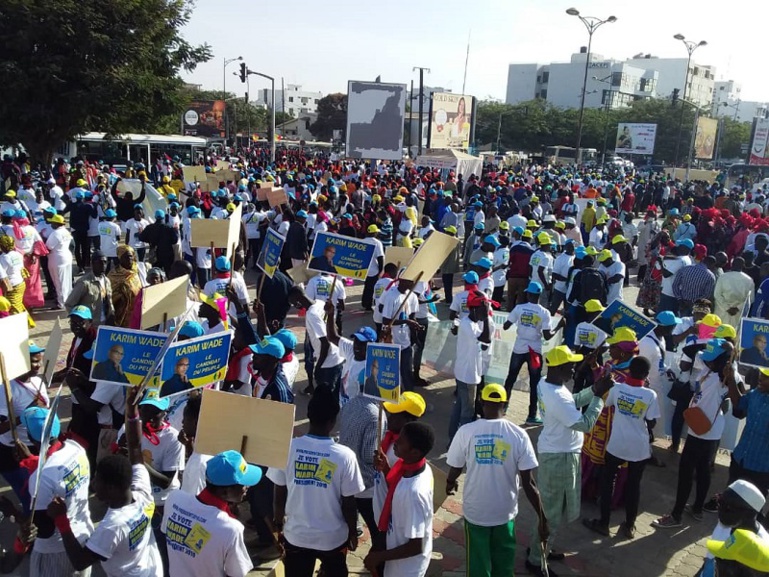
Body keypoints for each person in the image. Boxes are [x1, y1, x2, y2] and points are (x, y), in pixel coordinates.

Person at [45, 386, 162, 576]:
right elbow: (135, 449)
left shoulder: (112, 527)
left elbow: (80, 561)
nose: (92, 486)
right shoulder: (142, 491)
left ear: (112, 488)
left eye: (97, 481)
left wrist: (61, 519)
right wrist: (131, 411)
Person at [446, 384, 549, 577]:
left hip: (476, 512)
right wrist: (542, 518)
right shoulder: (519, 435)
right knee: (504, 565)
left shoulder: (466, 432)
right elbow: (529, 483)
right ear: (506, 403)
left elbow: (455, 467)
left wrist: (450, 482)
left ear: (481, 403)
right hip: (505, 513)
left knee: (478, 565)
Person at [527, 345, 608, 573]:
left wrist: (593, 388)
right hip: (559, 458)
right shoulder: (556, 396)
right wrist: (599, 397)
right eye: (571, 366)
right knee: (551, 513)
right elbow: (584, 424)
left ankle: (541, 546)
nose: (575, 370)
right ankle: (536, 559)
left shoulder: (548, 382)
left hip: (555, 452)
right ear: (559, 367)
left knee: (550, 508)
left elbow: (571, 400)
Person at [268, 387, 365, 577]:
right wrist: (353, 532)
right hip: (332, 539)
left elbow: (279, 494)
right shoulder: (345, 456)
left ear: (309, 415)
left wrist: (278, 525)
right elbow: (349, 503)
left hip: (296, 537)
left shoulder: (288, 448)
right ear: (332, 421)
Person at [653, 338, 734, 528]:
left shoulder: (725, 376)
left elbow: (735, 391)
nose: (707, 361)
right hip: (698, 427)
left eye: (712, 359)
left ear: (723, 362)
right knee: (702, 469)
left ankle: (676, 516)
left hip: (705, 432)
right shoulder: (709, 370)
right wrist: (713, 346)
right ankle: (697, 509)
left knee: (687, 471)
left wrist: (728, 361)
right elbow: (691, 350)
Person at [583, 356, 659, 539]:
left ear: (629, 371)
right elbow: (652, 422)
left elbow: (607, 405)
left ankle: (603, 523)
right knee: (634, 486)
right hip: (638, 448)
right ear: (646, 375)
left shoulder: (616, 389)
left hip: (616, 444)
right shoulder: (650, 395)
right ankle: (629, 526)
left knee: (608, 483)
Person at [162, 449, 262, 577]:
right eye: (243, 483)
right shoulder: (230, 529)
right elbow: (237, 574)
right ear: (225, 492)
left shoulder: (174, 500)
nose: (247, 486)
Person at [25, 406, 94, 577]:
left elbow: (44, 530)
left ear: (29, 437)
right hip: (83, 537)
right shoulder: (75, 447)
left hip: (55, 553)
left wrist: (13, 514)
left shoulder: (41, 478)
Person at [364, 421, 435, 577]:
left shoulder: (414, 494)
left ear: (415, 452)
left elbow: (417, 545)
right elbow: (397, 489)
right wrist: (386, 469)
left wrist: (379, 556)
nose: (395, 442)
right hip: (396, 560)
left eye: (401, 441)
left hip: (406, 570)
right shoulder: (412, 467)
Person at [503, 281, 564, 424]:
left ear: (528, 294)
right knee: (534, 384)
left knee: (510, 379)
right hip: (534, 352)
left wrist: (518, 322)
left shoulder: (519, 308)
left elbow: (506, 326)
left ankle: (503, 407)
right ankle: (531, 415)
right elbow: (547, 336)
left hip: (519, 348)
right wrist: (559, 326)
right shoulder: (544, 312)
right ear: (539, 295)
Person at [0, 342, 48, 515]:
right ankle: (31, 533)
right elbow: (1, 428)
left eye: (40, 361)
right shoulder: (6, 390)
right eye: (34, 362)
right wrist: (28, 412)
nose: (39, 365)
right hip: (13, 453)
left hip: (35, 448)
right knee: (29, 499)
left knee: (40, 495)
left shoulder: (38, 382)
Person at [450, 290, 492, 442]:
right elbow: (486, 338)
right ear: (474, 309)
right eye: (483, 310)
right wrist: (486, 316)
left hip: (464, 373)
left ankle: (452, 439)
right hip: (468, 376)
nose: (485, 312)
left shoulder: (470, 323)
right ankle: (463, 443)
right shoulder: (468, 325)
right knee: (467, 411)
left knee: (459, 406)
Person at [381, 277, 420, 394]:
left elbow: (412, 316)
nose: (413, 283)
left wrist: (415, 333)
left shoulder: (412, 296)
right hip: (392, 342)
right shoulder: (391, 296)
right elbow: (385, 320)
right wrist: (406, 322)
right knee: (393, 373)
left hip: (406, 342)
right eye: (410, 280)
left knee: (407, 372)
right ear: (403, 281)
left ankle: (409, 398)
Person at [65, 250, 115, 326]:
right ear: (92, 264)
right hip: (91, 326)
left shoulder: (107, 281)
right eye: (99, 263)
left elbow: (109, 301)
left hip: (105, 324)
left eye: (105, 262)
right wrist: (79, 321)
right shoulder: (84, 283)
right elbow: (69, 304)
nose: (103, 266)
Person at [714, 256, 754, 329]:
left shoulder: (723, 276)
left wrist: (727, 308)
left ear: (732, 264)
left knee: (718, 335)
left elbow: (717, 295)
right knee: (734, 336)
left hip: (722, 312)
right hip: (738, 313)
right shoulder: (749, 280)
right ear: (743, 266)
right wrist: (737, 308)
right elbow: (751, 299)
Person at [109, 245, 142, 328]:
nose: (129, 259)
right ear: (120, 258)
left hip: (138, 311)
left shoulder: (138, 271)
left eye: (131, 256)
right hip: (122, 315)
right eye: (126, 257)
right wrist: (122, 293)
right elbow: (110, 296)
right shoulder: (114, 275)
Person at [45, 214, 73, 310]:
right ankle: (68, 299)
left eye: (52, 222)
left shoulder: (55, 234)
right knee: (66, 281)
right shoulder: (66, 231)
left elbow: (48, 247)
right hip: (66, 256)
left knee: (59, 281)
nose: (51, 224)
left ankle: (61, 303)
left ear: (56, 224)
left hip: (57, 258)